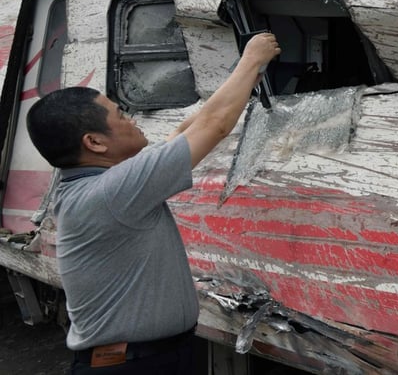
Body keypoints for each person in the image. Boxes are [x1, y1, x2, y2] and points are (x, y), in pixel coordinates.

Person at [26, 32, 281, 374]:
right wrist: (252, 57)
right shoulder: (112, 192)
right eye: (120, 114)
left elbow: (184, 132)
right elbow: (214, 126)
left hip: (145, 358)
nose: (130, 117)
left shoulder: (97, 186)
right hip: (134, 366)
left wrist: (245, 75)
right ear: (95, 142)